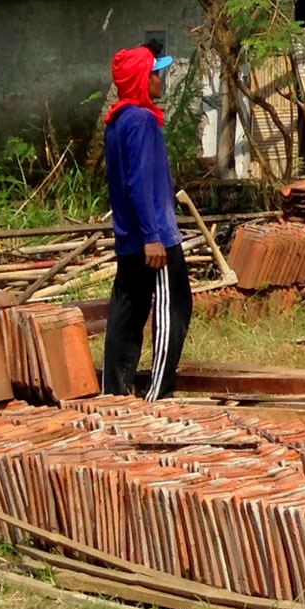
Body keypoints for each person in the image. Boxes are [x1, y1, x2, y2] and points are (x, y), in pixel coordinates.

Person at [99, 40, 186, 399]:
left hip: (128, 236)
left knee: (127, 310)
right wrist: (153, 236)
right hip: (155, 237)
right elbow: (139, 181)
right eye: (154, 74)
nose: (160, 80)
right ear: (140, 80)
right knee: (174, 307)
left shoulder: (117, 121)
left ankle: (115, 392)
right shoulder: (143, 120)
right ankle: (158, 392)